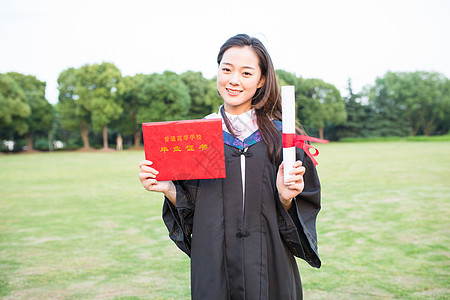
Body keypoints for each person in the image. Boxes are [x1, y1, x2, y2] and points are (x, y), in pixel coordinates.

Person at [139, 34, 321, 300]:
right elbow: (194, 213)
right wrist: (169, 189)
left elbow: (300, 216)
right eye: (226, 69)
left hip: (270, 268)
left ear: (261, 80)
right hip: (215, 269)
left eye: (246, 73)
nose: (233, 80)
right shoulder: (197, 139)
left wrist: (285, 198)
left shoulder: (284, 141)